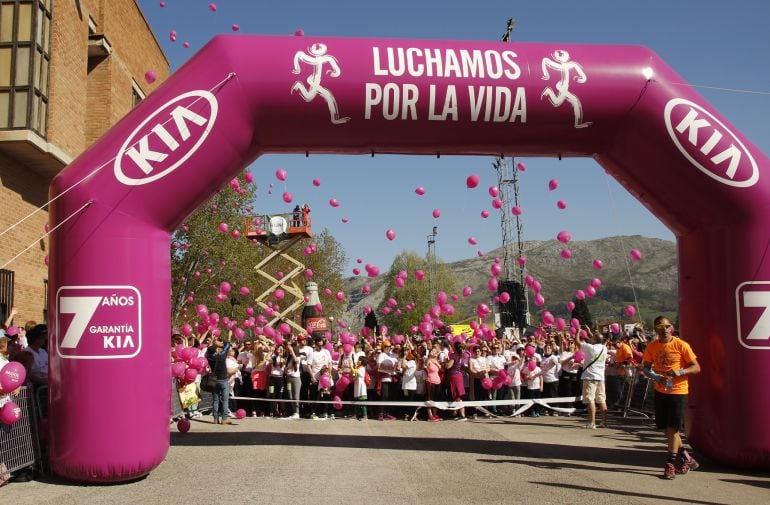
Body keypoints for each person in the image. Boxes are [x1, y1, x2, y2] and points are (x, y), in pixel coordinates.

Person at [643, 316, 701, 480]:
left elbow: (696, 367)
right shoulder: (652, 346)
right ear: (656, 330)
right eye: (660, 327)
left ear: (672, 328)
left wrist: (680, 372)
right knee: (666, 429)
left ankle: (670, 465)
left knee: (673, 429)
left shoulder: (681, 345)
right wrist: (656, 376)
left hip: (678, 391)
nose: (664, 330)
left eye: (667, 326)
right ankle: (687, 458)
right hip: (661, 391)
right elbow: (645, 368)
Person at [576, 327, 607, 429]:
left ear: (594, 340)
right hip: (600, 378)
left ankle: (592, 422)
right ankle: (603, 422)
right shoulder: (604, 348)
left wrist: (578, 332)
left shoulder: (590, 348)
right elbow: (596, 340)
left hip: (590, 377)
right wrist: (590, 333)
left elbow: (577, 342)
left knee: (590, 400)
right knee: (601, 400)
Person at [206, 337, 232, 425]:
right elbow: (228, 344)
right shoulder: (222, 355)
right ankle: (224, 419)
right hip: (223, 380)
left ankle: (215, 419)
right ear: (218, 349)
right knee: (225, 400)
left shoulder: (210, 357)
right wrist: (228, 336)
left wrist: (213, 341)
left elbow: (208, 349)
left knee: (215, 400)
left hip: (214, 380)